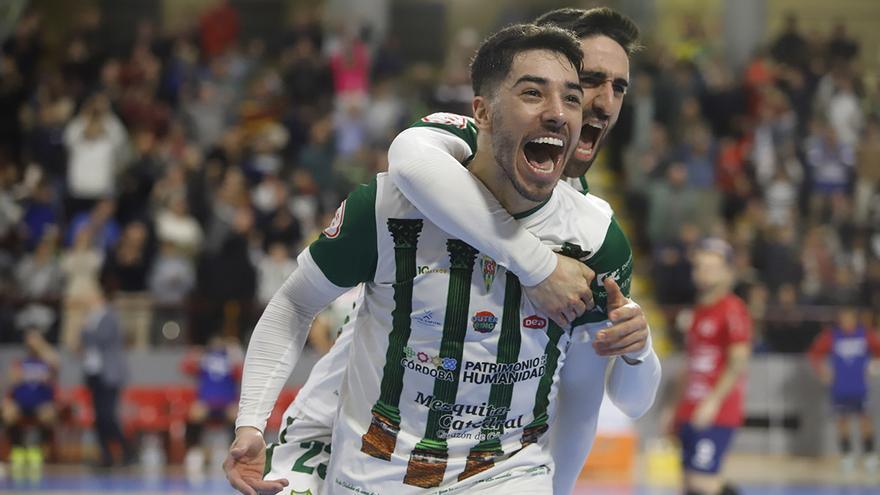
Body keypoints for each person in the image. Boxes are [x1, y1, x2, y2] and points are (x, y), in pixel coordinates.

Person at [233, 7, 659, 495]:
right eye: (587, 81)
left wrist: (639, 348)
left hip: (493, 467)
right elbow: (407, 158)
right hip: (352, 434)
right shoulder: (437, 160)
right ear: (486, 108)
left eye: (616, 88)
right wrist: (539, 265)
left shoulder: (594, 233)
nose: (600, 102)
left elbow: (585, 400)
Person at [664, 238, 752, 495]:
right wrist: (673, 407)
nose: (703, 272)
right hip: (690, 408)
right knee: (690, 484)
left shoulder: (732, 309)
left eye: (712, 267)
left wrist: (713, 402)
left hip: (716, 412)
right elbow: (688, 365)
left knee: (703, 483)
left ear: (727, 272)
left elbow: (738, 361)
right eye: (700, 266)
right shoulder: (697, 311)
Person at [808, 306, 880, 473]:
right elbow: (814, 354)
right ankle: (847, 457)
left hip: (860, 387)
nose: (846, 321)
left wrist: (874, 366)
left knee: (865, 421)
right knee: (842, 422)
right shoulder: (832, 336)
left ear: (855, 318)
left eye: (849, 317)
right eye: (843, 318)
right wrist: (823, 372)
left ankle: (869, 456)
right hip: (840, 387)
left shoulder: (865, 334)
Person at [78, 280, 135, 468]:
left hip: (109, 374)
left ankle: (127, 449)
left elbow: (102, 338)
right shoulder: (90, 318)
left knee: (107, 415)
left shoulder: (109, 316)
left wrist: (87, 328)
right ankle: (106, 455)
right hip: (94, 373)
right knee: (98, 416)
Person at [180, 334, 244, 475]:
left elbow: (243, 373)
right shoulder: (204, 359)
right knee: (195, 413)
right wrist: (194, 354)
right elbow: (186, 368)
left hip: (227, 402)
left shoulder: (231, 359)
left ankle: (234, 452)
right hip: (206, 401)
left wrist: (236, 352)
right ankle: (194, 451)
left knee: (238, 417)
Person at [2, 329, 59, 478]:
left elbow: (56, 363)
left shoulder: (47, 362)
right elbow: (11, 382)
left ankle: (37, 451)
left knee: (49, 414)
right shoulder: (20, 363)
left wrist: (41, 345)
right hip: (21, 402)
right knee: (8, 412)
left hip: (41, 403)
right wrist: (18, 377)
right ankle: (18, 449)